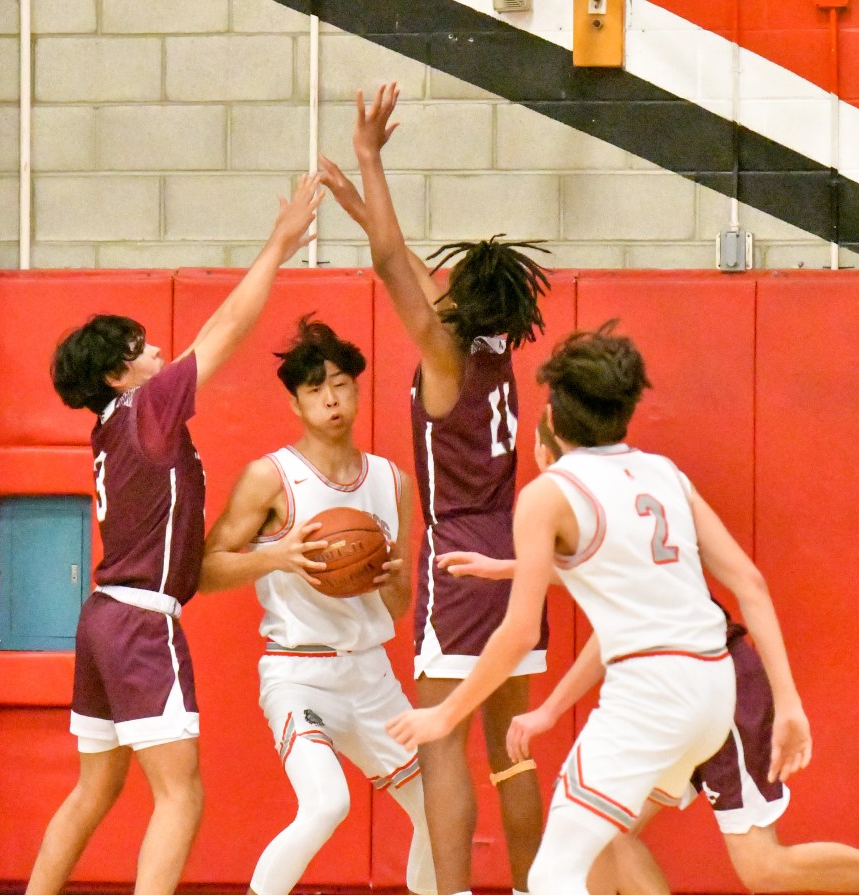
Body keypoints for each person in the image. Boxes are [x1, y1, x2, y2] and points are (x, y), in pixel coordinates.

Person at [387, 322, 812, 895]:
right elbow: (748, 584)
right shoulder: (664, 474)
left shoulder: (550, 493)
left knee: (557, 874)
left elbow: (518, 632)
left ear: (551, 419)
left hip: (652, 695)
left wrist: (445, 714)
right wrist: (789, 701)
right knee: (613, 845)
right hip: (716, 686)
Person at [27, 174, 323, 895]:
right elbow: (223, 331)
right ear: (117, 372)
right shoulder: (145, 408)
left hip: (104, 617)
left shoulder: (113, 428)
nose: (159, 349)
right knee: (181, 794)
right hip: (138, 625)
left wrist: (274, 557)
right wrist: (278, 245)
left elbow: (191, 571)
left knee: (95, 788)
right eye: (141, 345)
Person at [448, 420, 859, 895]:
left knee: (764, 869)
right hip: (675, 695)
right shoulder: (612, 506)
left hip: (716, 683)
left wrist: (523, 710)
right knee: (603, 834)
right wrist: (508, 569)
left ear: (542, 451)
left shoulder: (583, 503)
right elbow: (601, 598)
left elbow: (606, 616)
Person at [321, 83, 550, 895]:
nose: (438, 283)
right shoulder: (494, 348)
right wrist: (361, 207)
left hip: (458, 556)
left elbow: (395, 268)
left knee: (443, 741)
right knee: (511, 750)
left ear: (456, 305)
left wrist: (370, 159)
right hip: (514, 553)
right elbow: (410, 264)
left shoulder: (445, 356)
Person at [199, 317, 436, 895]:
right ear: (295, 402)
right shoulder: (270, 478)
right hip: (298, 672)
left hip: (371, 674)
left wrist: (388, 579)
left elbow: (399, 604)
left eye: (341, 384)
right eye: (315, 389)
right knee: (327, 804)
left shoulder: (393, 482)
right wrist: (277, 557)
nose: (331, 398)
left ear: (357, 389)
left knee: (440, 806)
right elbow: (203, 572)